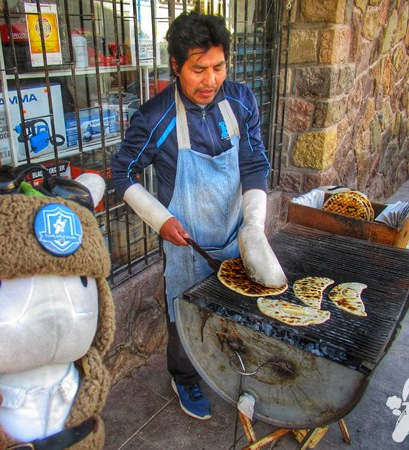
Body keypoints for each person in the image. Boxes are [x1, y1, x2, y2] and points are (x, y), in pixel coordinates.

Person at [111, 11, 286, 421]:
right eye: (198, 69)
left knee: (238, 309)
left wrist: (254, 227)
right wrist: (159, 219)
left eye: (218, 67)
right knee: (184, 319)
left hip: (235, 232)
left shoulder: (240, 101)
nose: (210, 80)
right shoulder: (156, 117)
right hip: (186, 243)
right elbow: (123, 172)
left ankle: (233, 367)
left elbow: (255, 163)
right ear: (175, 66)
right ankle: (185, 376)